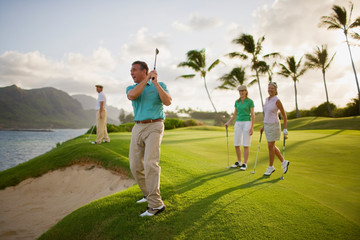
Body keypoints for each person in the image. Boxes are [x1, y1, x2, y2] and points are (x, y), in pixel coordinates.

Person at [126, 61, 172, 217]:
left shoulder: (160, 85)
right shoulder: (131, 88)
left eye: (134, 70)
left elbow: (168, 101)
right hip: (137, 127)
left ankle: (156, 205)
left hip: (155, 125)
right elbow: (132, 96)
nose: (131, 73)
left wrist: (156, 83)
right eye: (130, 70)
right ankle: (148, 194)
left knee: (150, 163)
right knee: (134, 165)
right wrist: (146, 80)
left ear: (144, 71)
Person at [261, 82, 289, 176]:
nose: (270, 89)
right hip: (267, 125)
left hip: (274, 125)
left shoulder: (277, 100)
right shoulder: (266, 99)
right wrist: (263, 126)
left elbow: (284, 116)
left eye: (272, 88)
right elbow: (267, 114)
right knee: (271, 146)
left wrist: (285, 129)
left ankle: (270, 167)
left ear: (276, 90)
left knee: (270, 146)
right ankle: (284, 162)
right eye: (269, 88)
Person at [225, 85, 255, 171]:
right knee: (236, 144)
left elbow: (252, 115)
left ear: (246, 91)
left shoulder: (250, 102)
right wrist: (229, 122)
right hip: (238, 123)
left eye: (243, 91)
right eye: (240, 91)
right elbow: (234, 114)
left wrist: (252, 127)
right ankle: (239, 162)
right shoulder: (237, 102)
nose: (241, 93)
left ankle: (245, 163)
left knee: (246, 144)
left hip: (247, 123)